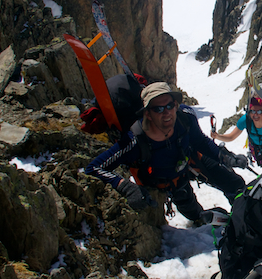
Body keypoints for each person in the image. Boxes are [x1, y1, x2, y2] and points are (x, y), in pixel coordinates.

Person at [85, 82, 248, 222]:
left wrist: (225, 157)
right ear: (147, 113)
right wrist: (126, 187)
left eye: (170, 105)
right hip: (170, 182)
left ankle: (245, 218)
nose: (166, 112)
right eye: (158, 108)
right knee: (196, 216)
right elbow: (94, 168)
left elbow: (200, 141)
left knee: (236, 185)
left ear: (176, 105)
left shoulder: (185, 117)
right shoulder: (135, 140)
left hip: (190, 160)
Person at [211, 91, 262, 168]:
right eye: (253, 111)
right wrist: (217, 136)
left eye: (260, 111)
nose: (255, 114)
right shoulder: (246, 120)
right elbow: (231, 137)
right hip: (257, 150)